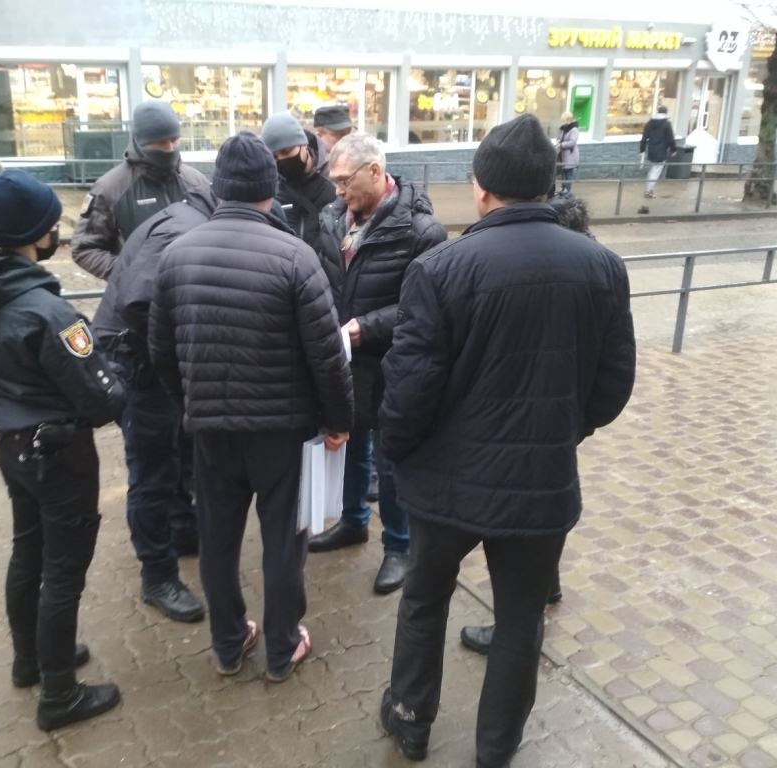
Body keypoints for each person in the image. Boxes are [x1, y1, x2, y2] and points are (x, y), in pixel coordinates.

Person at [377, 115, 636, 766]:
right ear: (548, 185)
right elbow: (613, 384)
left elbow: (409, 389)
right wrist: (563, 431)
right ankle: (496, 749)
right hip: (541, 485)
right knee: (521, 621)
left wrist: (395, 454)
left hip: (445, 484)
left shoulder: (440, 269)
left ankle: (410, 718)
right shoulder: (602, 266)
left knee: (424, 600)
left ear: (481, 188)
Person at [149, 133, 353, 682]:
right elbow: (327, 355)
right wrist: (338, 421)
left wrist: (190, 402)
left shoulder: (176, 255)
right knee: (284, 539)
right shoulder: (295, 256)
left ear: (219, 188)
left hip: (210, 430)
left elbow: (160, 352)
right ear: (270, 188)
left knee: (217, 539)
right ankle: (282, 647)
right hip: (280, 431)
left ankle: (228, 642)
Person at [0, 170, 126, 731]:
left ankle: (30, 659)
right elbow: (101, 399)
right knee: (63, 573)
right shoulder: (51, 315)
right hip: (59, 454)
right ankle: (59, 695)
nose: (60, 233)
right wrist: (116, 373)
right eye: (55, 224)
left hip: (14, 446)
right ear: (37, 234)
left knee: (28, 553)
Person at [309, 133, 447, 595]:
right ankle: (352, 522)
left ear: (374, 171)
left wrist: (365, 327)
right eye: (333, 181)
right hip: (345, 358)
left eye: (344, 181)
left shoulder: (421, 231)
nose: (337, 191)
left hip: (394, 362)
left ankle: (399, 547)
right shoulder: (332, 218)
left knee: (390, 460)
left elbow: (422, 307)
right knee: (349, 445)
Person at [458, 193, 593, 656]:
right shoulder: (594, 269)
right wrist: (579, 421)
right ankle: (544, 589)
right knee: (546, 511)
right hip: (559, 424)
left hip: (522, 426)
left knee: (522, 527)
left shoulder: (545, 272)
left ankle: (517, 626)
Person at [92, 184, 218, 623]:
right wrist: (174, 354)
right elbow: (139, 302)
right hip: (137, 363)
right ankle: (157, 576)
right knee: (152, 472)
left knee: (179, 448)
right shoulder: (182, 230)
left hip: (146, 360)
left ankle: (182, 530)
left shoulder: (188, 218)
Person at [71, 101, 208, 279]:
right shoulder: (110, 188)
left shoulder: (196, 181)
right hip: (140, 293)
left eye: (174, 140)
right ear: (141, 142)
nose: (170, 148)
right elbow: (84, 248)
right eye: (161, 143)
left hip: (192, 288)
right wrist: (129, 275)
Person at [261, 110, 337, 249]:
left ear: (304, 145)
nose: (282, 159)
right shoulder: (272, 189)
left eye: (286, 151)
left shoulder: (333, 178)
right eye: (275, 156)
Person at [639, 104, 677, 198]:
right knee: (656, 171)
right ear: (665, 113)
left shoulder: (650, 122)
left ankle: (648, 189)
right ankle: (649, 191)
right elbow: (670, 138)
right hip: (661, 151)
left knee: (653, 169)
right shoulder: (666, 124)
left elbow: (644, 137)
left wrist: (642, 150)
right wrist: (673, 149)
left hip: (651, 150)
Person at [556, 111, 580, 196]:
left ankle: (568, 191)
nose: (562, 122)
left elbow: (572, 142)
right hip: (563, 155)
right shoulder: (563, 129)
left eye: (563, 120)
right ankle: (563, 189)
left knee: (569, 173)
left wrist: (562, 144)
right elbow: (560, 138)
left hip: (570, 155)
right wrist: (558, 141)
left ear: (568, 120)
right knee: (563, 173)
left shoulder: (574, 129)